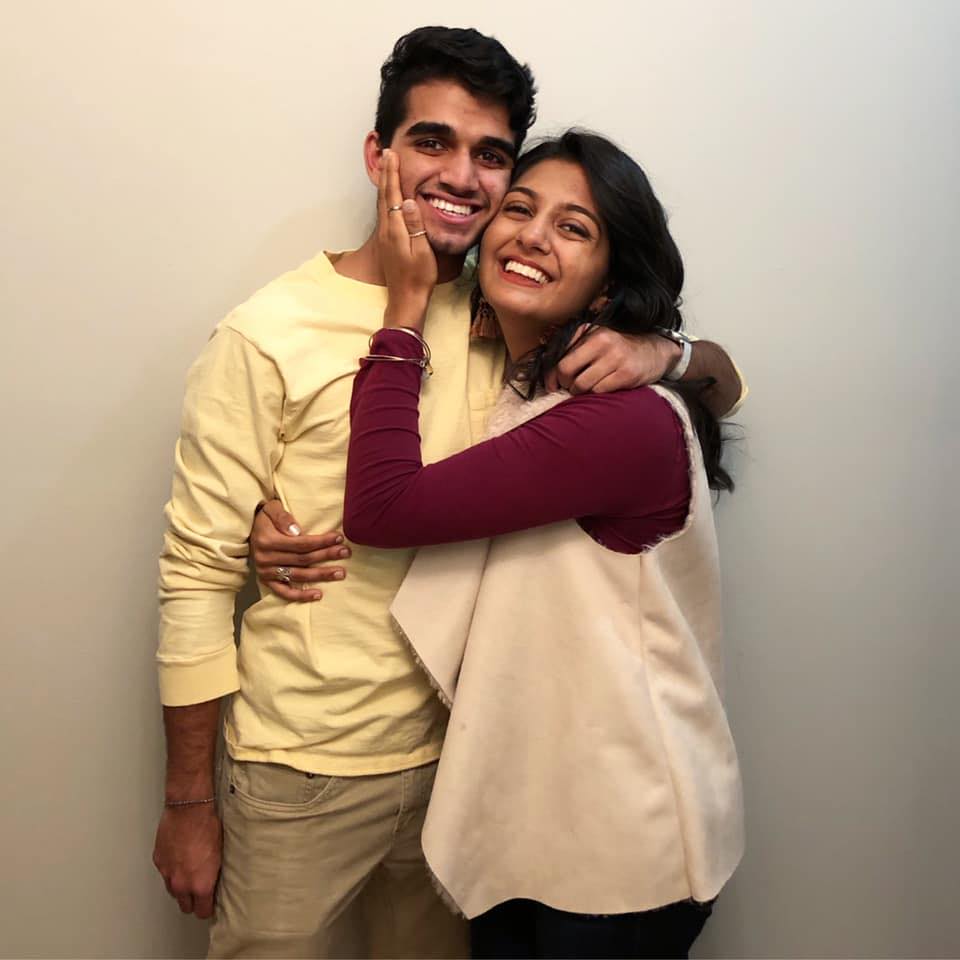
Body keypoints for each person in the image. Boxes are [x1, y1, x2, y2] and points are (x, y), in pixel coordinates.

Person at [155, 26, 745, 959]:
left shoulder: (514, 307)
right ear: (378, 155)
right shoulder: (268, 333)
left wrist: (665, 349)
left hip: (466, 775)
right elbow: (195, 577)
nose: (463, 177)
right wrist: (189, 802)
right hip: (302, 768)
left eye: (491, 155)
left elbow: (720, 382)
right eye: (432, 141)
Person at [335, 130, 745, 959]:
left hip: (618, 846)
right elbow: (726, 382)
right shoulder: (535, 388)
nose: (531, 236)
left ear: (609, 284)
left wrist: (405, 310)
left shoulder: (618, 421)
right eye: (519, 210)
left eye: (574, 227)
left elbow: (381, 506)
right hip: (541, 821)